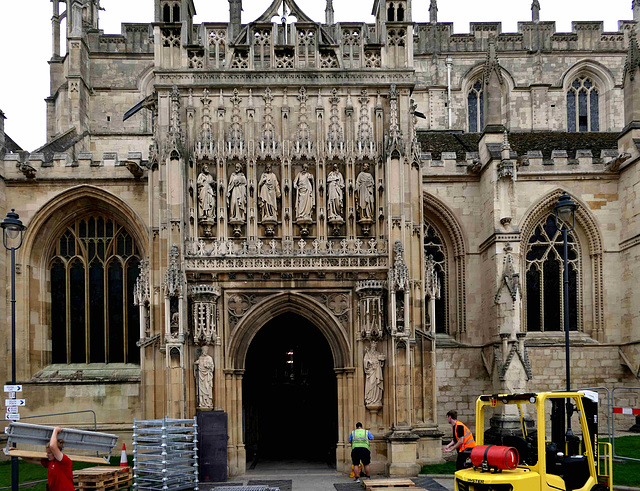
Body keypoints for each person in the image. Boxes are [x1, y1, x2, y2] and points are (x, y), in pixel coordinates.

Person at [24, 426, 74, 491]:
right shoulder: (50, 462)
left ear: (56, 452)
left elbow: (52, 446)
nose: (47, 455)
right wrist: (17, 453)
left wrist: (55, 430)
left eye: (49, 453)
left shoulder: (64, 461)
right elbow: (31, 460)